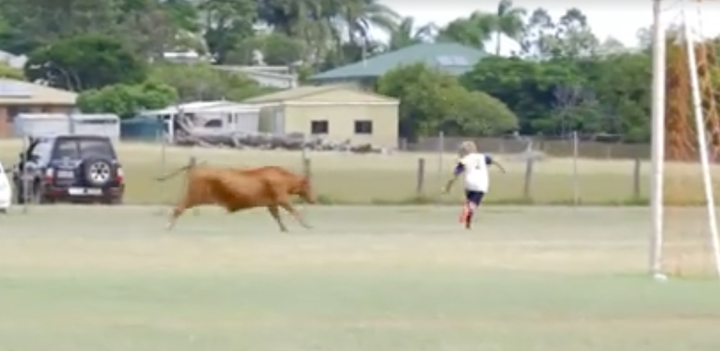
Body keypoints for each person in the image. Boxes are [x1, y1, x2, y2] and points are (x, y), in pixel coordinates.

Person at [442, 141, 505, 229]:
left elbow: (455, 174)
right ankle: (467, 211)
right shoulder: (483, 157)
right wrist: (502, 169)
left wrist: (448, 186)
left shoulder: (465, 159)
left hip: (469, 184)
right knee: (473, 204)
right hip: (481, 184)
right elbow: (494, 162)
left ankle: (468, 224)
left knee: (469, 202)